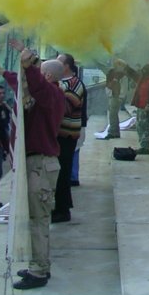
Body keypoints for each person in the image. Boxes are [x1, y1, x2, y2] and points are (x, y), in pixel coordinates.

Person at [0, 47, 65, 290]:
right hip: (37, 164)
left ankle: (39, 270)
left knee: (39, 219)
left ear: (47, 76)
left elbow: (35, 85)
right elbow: (24, 85)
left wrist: (31, 65)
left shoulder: (52, 95)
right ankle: (37, 263)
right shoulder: (47, 95)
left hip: (41, 165)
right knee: (34, 218)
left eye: (38, 72)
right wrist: (2, 71)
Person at [52, 53, 84, 223]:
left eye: (58, 63)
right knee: (59, 172)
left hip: (67, 136)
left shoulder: (75, 84)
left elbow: (66, 108)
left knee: (62, 173)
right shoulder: (63, 83)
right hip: (60, 135)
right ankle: (62, 206)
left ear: (66, 66)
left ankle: (62, 210)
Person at [114, 60, 149, 153]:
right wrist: (125, 65)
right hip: (140, 106)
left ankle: (145, 147)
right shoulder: (142, 79)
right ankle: (143, 144)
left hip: (147, 107)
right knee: (139, 126)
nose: (143, 73)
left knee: (144, 126)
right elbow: (133, 74)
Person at [103, 66, 124, 139]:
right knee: (114, 116)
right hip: (113, 98)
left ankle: (113, 132)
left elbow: (111, 87)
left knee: (112, 116)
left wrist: (112, 81)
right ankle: (116, 132)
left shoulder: (115, 81)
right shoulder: (116, 80)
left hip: (114, 98)